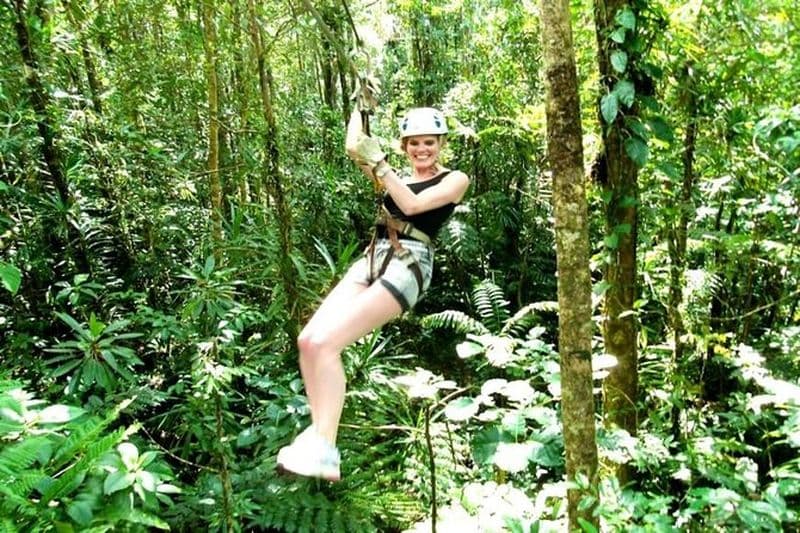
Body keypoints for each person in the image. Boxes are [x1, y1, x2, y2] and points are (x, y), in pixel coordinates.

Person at [276, 106, 470, 481]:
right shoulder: (393, 175)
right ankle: (319, 438)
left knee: (328, 345)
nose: (422, 149)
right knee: (308, 341)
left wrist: (380, 165)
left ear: (441, 144)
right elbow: (354, 147)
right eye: (414, 143)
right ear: (404, 147)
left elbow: (413, 206)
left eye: (429, 142)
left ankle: (325, 450)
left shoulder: (454, 179)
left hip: (410, 262)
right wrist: (358, 105)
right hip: (374, 255)